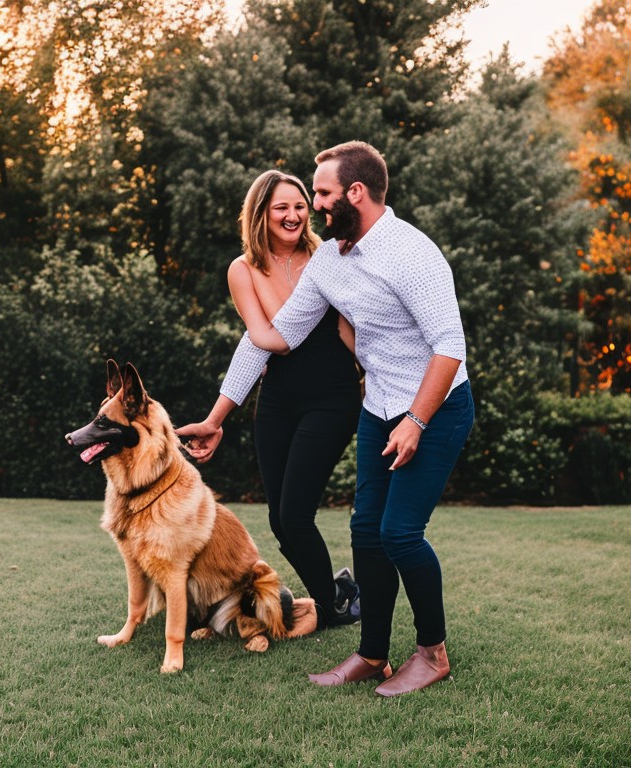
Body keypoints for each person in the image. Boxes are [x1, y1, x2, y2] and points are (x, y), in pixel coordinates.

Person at [178, 141, 474, 697]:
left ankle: (432, 653)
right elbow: (273, 335)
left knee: (400, 534)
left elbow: (449, 346)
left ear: (355, 194)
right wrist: (221, 413)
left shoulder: (413, 254)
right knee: (365, 532)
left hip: (436, 409)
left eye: (322, 194)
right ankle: (372, 654)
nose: (312, 206)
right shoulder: (330, 261)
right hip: (378, 407)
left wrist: (415, 419)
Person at [220, 169, 363, 630]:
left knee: (296, 514)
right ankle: (336, 593)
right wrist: (217, 417)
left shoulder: (329, 255)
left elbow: (350, 329)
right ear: (260, 214)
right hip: (278, 400)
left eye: (300, 205)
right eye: (281, 207)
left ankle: (330, 608)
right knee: (280, 521)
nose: (294, 215)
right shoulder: (243, 270)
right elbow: (256, 340)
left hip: (332, 396)